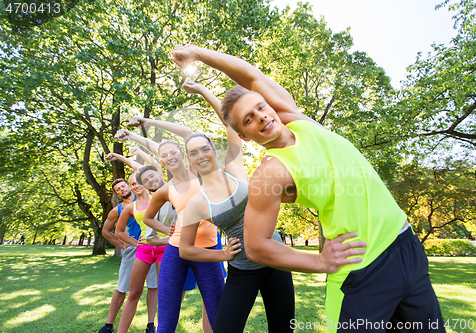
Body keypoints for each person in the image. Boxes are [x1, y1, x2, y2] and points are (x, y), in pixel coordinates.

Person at [172, 45, 445, 332]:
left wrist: (199, 54)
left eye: (260, 107)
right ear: (244, 136)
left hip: (406, 246)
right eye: (248, 119)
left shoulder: (297, 120)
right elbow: (255, 245)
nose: (261, 117)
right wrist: (320, 261)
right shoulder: (270, 174)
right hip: (362, 268)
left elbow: (251, 75)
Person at [178, 82, 295, 332]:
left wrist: (202, 90)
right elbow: (185, 250)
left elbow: (229, 120)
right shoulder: (197, 202)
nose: (200, 155)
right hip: (242, 269)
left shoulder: (233, 168)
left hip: (276, 259)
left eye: (204, 149)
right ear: (189, 161)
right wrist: (222, 255)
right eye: (193, 153)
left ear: (213, 151)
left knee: (283, 328)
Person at [138, 95, 226, 333]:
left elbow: (187, 132)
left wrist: (146, 121)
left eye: (174, 151)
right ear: (161, 161)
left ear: (183, 153)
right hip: (175, 253)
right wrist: (169, 231)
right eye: (164, 155)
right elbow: (148, 218)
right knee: (166, 319)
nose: (170, 157)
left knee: (218, 313)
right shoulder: (164, 190)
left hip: (208, 250)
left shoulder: (200, 173)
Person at [99, 178, 158, 333]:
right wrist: (124, 244)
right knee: (123, 287)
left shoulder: (149, 199)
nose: (122, 189)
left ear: (130, 185)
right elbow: (106, 231)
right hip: (134, 249)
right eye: (118, 189)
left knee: (154, 285)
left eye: (123, 186)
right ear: (117, 194)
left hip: (154, 245)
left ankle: (151, 324)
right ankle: (108, 325)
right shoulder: (118, 209)